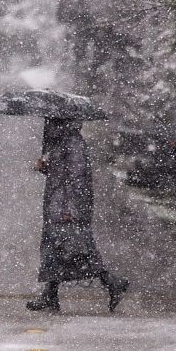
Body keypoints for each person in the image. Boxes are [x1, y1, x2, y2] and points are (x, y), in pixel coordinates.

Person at [27, 118, 130, 313]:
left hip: (66, 209)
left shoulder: (73, 142)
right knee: (56, 252)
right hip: (57, 205)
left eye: (51, 121)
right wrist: (45, 168)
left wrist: (70, 210)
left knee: (77, 251)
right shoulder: (61, 142)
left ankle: (112, 282)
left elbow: (78, 179)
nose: (48, 124)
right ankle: (50, 295)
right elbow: (62, 175)